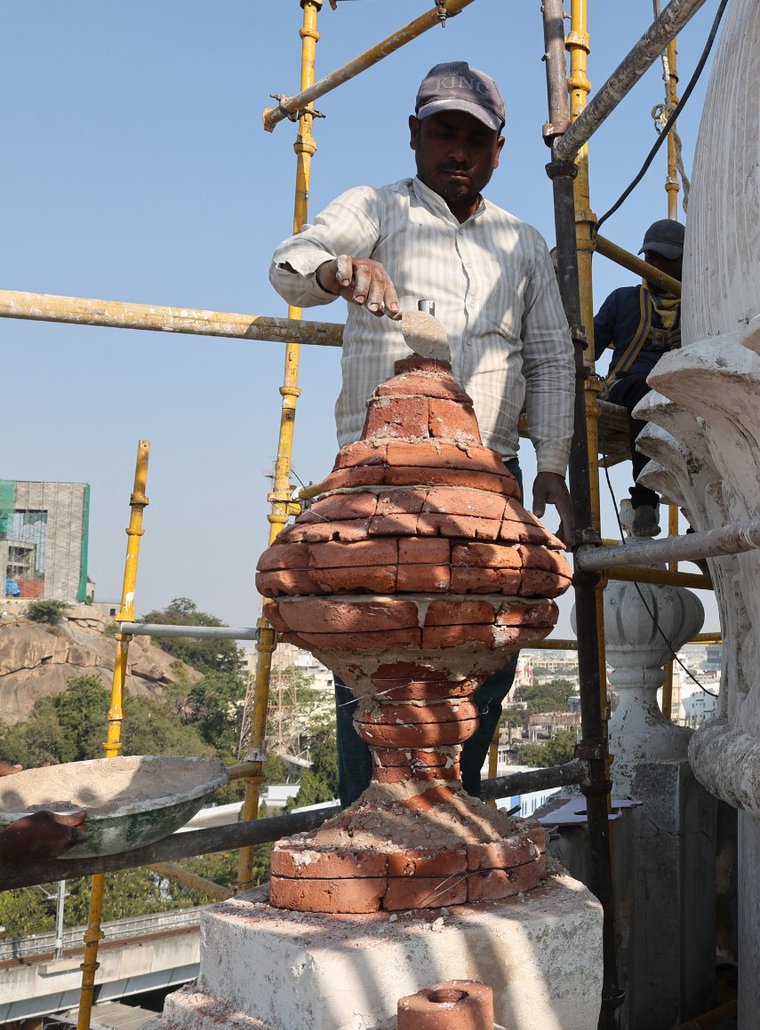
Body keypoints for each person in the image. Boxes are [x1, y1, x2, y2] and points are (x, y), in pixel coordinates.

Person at [269, 61, 575, 807]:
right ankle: (369, 834)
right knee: (378, 671)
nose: (458, 151)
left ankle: (454, 833)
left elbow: (552, 360)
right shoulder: (377, 208)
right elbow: (290, 263)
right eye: (445, 131)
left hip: (484, 486)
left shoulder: (522, 242)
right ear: (415, 135)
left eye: (475, 138)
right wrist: (340, 271)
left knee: (480, 669)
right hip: (383, 490)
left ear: (499, 152)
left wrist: (554, 466)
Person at [593, 218, 684, 537]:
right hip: (627, 388)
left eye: (666, 259)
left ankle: (699, 524)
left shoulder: (696, 306)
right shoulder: (623, 299)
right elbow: (587, 347)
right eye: (650, 257)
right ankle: (645, 499)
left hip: (678, 393)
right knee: (646, 385)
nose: (655, 265)